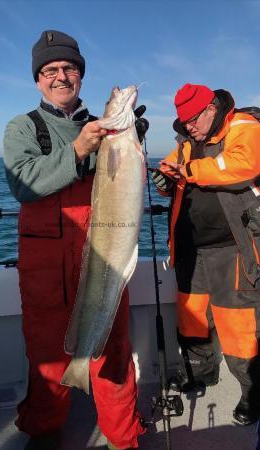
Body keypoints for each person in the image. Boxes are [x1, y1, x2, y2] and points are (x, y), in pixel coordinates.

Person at [3, 30, 148, 450]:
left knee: (114, 357)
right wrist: (79, 149)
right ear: (38, 79)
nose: (60, 76)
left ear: (81, 76)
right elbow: (23, 183)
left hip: (105, 258)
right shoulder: (23, 128)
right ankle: (45, 435)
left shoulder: (103, 128)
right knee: (48, 361)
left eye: (69, 68)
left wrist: (134, 144)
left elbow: (127, 189)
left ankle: (124, 440)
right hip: (47, 273)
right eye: (50, 70)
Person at [152, 82, 260, 426]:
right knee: (191, 316)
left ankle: (252, 393)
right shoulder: (188, 141)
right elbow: (172, 164)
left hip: (234, 247)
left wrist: (187, 171)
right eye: (183, 124)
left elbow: (243, 163)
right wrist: (165, 177)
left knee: (238, 324)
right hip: (190, 247)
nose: (188, 128)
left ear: (212, 108)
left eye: (192, 121)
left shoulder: (244, 126)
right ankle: (199, 373)